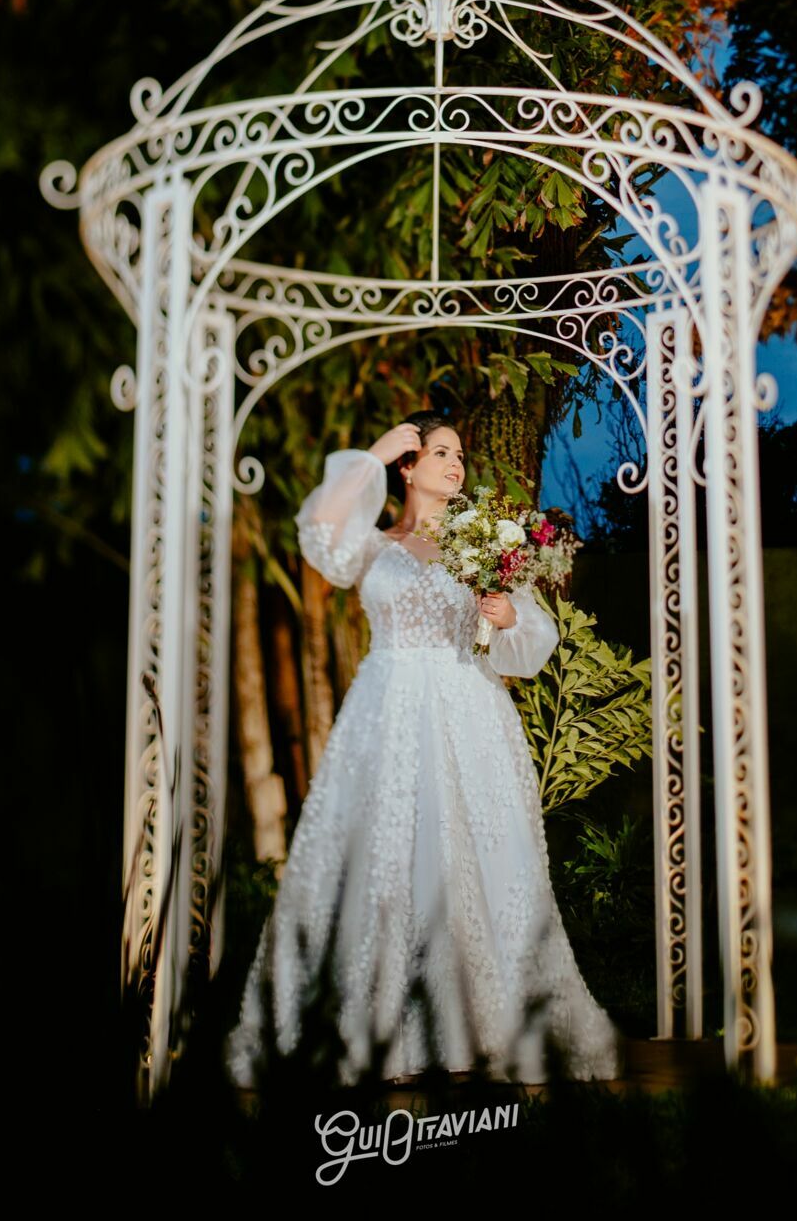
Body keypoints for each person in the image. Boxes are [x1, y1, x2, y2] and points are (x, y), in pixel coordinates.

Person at [224, 410, 623, 1087]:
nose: (455, 464)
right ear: (408, 468)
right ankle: (378, 1024)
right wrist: (374, 453)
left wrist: (504, 618)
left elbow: (530, 642)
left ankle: (489, 1021)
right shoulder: (373, 547)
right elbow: (319, 530)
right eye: (439, 452)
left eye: (459, 455)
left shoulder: (484, 545)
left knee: (484, 859)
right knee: (382, 856)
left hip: (469, 710)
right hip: (386, 713)